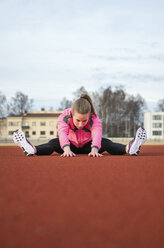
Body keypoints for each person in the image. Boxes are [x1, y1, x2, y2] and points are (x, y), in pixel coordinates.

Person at [13, 94, 147, 157]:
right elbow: (62, 133)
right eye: (77, 120)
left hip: (88, 147)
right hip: (69, 145)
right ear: (72, 114)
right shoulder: (64, 117)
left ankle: (129, 148)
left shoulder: (95, 120)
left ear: (89, 116)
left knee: (106, 142)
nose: (81, 124)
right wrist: (66, 149)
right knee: (53, 143)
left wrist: (94, 149)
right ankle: (32, 149)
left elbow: (97, 135)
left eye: (84, 121)